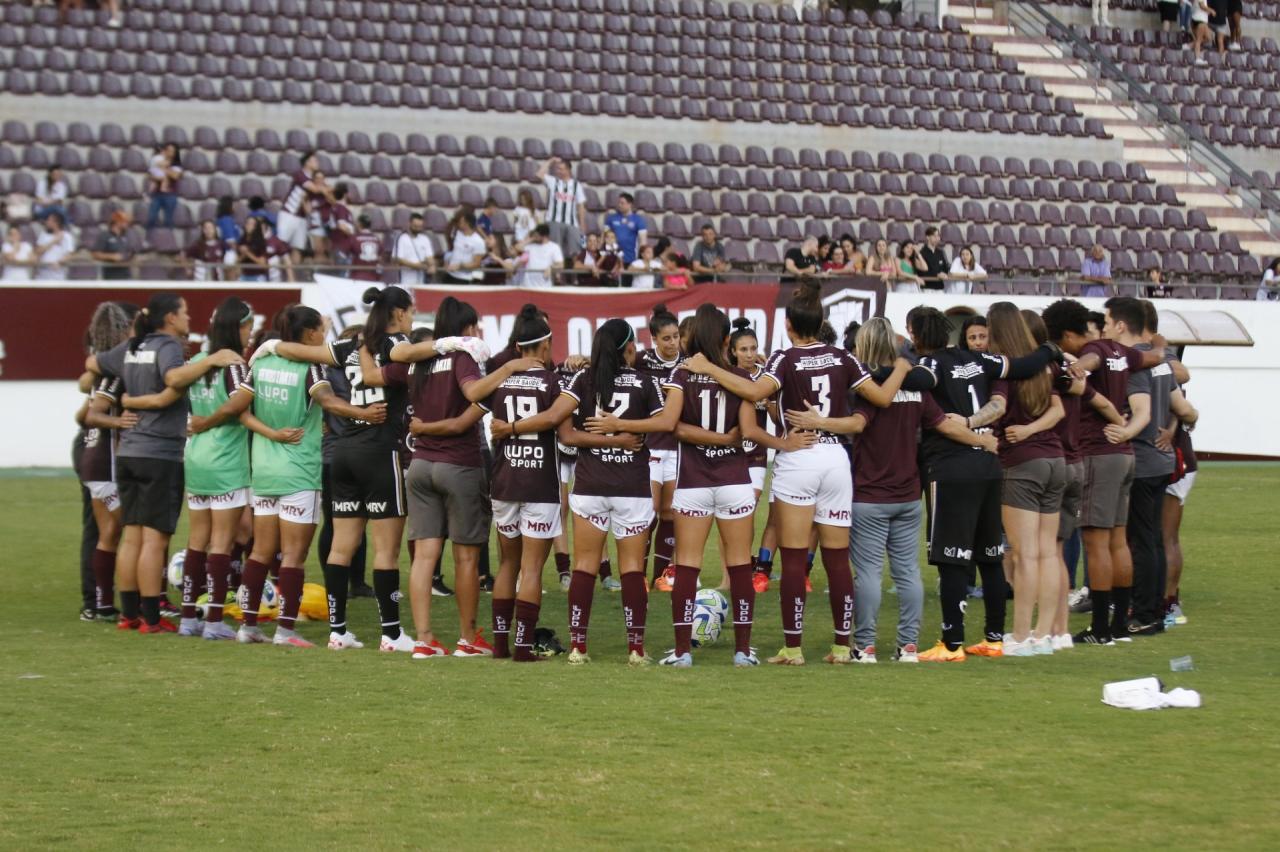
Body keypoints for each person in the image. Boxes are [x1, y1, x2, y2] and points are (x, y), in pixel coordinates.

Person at [683, 282, 912, 665]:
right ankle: (842, 646)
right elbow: (883, 398)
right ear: (821, 321)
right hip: (835, 459)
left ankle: (793, 648)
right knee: (838, 559)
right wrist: (904, 365)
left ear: (788, 325)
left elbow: (754, 393)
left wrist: (708, 368)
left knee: (792, 558)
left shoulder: (785, 359)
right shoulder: (843, 358)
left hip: (798, 457)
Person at [785, 317, 995, 664]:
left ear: (864, 347)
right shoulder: (916, 389)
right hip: (909, 494)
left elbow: (857, 423)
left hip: (869, 494)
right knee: (908, 571)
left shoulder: (864, 388)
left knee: (868, 573)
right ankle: (908, 646)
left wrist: (819, 422)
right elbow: (943, 425)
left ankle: (865, 647)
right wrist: (982, 441)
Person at [198, 305, 383, 646]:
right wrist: (364, 414)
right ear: (310, 334)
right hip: (298, 470)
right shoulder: (309, 367)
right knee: (294, 556)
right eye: (321, 329)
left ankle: (248, 627)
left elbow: (239, 409)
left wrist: (269, 433)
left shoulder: (261, 363)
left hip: (264, 470)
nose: (324, 335)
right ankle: (285, 630)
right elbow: (328, 402)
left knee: (260, 552)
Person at [593, 305, 761, 667]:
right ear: (728, 340)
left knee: (687, 565)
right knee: (739, 566)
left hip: (693, 481)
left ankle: (683, 651)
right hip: (735, 480)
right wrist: (726, 440)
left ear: (690, 338)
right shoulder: (739, 378)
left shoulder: (682, 375)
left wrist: (621, 427)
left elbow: (667, 423)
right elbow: (745, 433)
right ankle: (743, 652)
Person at [372, 296, 540, 657]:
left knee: (423, 557)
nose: (477, 333)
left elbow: (372, 375)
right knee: (466, 558)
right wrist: (509, 368)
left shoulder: (418, 358)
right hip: (458, 465)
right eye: (475, 327)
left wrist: (362, 345)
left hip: (419, 465)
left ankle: (423, 639)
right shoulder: (461, 357)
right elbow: (474, 392)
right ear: (466, 328)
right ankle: (467, 638)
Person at [254, 289, 416, 652]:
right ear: (401, 313)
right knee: (386, 551)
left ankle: (338, 632)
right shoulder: (397, 344)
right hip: (380, 452)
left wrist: (273, 347)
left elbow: (303, 351)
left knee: (341, 547)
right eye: (412, 312)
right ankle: (392, 634)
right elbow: (416, 354)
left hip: (342, 453)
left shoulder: (349, 345)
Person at [903, 307, 1063, 661]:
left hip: (950, 468)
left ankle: (952, 643)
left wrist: (888, 370)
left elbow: (918, 384)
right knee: (990, 555)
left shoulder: (929, 366)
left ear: (914, 335)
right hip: (990, 466)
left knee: (952, 558)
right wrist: (1049, 350)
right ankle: (993, 637)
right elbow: (1023, 367)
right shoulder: (981, 360)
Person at [89, 294, 245, 632]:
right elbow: (174, 380)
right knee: (154, 540)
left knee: (131, 536)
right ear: (171, 318)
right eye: (185, 312)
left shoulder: (135, 345)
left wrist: (130, 398)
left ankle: (129, 615)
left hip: (128, 452)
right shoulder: (168, 346)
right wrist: (211, 360)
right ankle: (151, 618)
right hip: (159, 453)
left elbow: (93, 366)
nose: (189, 318)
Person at [1056, 296, 1167, 645]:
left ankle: (1100, 628)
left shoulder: (1099, 349)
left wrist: (1079, 367)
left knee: (1096, 542)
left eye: (1106, 318)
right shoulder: (1125, 354)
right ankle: (1120, 622)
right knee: (1119, 541)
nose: (1102, 323)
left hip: (1099, 452)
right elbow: (1155, 356)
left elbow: (1090, 359)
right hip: (1124, 454)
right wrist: (1161, 344)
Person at [559, 319, 662, 665]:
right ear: (629, 348)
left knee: (585, 565)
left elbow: (568, 436)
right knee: (632, 567)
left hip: (590, 485)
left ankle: (578, 647)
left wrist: (608, 436)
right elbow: (665, 423)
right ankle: (635, 649)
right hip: (631, 487)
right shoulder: (645, 382)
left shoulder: (582, 380)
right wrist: (623, 436)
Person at [151, 297, 253, 639]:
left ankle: (188, 619)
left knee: (197, 541)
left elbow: (175, 385)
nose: (250, 335)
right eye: (248, 328)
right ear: (238, 328)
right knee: (222, 543)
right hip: (226, 461)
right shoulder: (236, 366)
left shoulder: (196, 361)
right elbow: (241, 405)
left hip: (196, 459)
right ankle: (213, 622)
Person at [476, 307, 564, 660]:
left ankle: (499, 645)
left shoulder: (499, 379)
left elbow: (472, 396)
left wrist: (507, 370)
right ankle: (523, 647)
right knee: (532, 568)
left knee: (507, 565)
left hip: (504, 479)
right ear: (544, 345)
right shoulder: (553, 381)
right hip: (539, 481)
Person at [986, 303, 1066, 656]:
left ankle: (1020, 637)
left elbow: (998, 409)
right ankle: (1044, 634)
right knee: (1048, 552)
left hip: (1020, 464)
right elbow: (1058, 409)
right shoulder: (1043, 364)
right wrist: (1035, 428)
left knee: (1024, 554)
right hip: (1055, 459)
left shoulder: (1003, 367)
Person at [1118, 302, 1198, 637]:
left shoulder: (1132, 363)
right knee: (1155, 539)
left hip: (1141, 459)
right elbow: (1188, 410)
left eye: (1108, 323)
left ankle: (1143, 612)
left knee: (1142, 539)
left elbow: (1140, 413)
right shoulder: (1162, 364)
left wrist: (1124, 426)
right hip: (1163, 462)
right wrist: (1173, 426)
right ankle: (1158, 607)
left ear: (1122, 325)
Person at [77, 302, 141, 620]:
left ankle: (101, 604)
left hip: (93, 458)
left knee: (110, 532)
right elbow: (93, 413)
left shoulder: (104, 373)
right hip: (104, 462)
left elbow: (84, 409)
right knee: (122, 529)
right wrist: (121, 422)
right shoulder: (116, 374)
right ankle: (110, 600)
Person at [638, 305, 683, 592]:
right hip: (650, 445)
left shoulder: (689, 362)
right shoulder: (642, 362)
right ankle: (638, 575)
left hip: (678, 447)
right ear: (654, 338)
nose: (672, 343)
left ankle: (663, 576)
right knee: (647, 512)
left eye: (676, 337)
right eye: (666, 338)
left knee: (669, 512)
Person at [727, 319, 774, 594]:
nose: (749, 354)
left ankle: (745, 567)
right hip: (729, 452)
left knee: (748, 507)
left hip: (756, 454)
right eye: (743, 349)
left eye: (753, 348)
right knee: (733, 513)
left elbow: (778, 416)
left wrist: (769, 402)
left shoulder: (767, 377)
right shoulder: (726, 375)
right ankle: (734, 571)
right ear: (733, 351)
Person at [277, 151, 328, 262]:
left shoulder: (313, 180)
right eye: (314, 160)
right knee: (280, 245)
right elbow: (314, 189)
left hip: (302, 218)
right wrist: (327, 189)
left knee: (298, 248)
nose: (317, 162)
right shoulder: (300, 174)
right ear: (307, 163)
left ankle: (294, 275)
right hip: (289, 214)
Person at [536, 156, 587, 260]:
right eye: (557, 168)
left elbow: (581, 205)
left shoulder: (577, 185)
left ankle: (574, 275)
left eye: (561, 169)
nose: (558, 171)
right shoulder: (552, 181)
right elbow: (539, 174)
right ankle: (556, 275)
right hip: (554, 221)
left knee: (576, 251)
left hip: (572, 223)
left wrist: (582, 224)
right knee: (555, 251)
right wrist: (550, 161)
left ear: (568, 170)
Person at [603, 192, 648, 267]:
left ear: (629, 204)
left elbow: (643, 241)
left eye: (622, 203)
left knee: (627, 278)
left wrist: (642, 259)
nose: (619, 205)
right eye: (619, 203)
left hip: (630, 258)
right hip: (612, 259)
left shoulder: (638, 220)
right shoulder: (611, 218)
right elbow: (603, 236)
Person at [393, 212, 437, 288]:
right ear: (409, 224)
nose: (417, 229)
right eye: (415, 226)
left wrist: (432, 265)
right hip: (406, 279)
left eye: (420, 227)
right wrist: (416, 266)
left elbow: (429, 257)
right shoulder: (402, 238)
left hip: (421, 279)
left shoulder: (425, 239)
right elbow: (398, 259)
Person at [515, 223, 565, 288]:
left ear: (543, 236)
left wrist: (551, 268)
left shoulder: (554, 247)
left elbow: (560, 264)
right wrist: (531, 239)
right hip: (527, 285)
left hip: (544, 286)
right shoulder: (531, 246)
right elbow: (517, 247)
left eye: (537, 235)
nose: (535, 237)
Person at [146, 143, 182, 229]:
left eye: (172, 151)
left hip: (170, 195)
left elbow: (175, 176)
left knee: (168, 220)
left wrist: (165, 168)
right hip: (157, 194)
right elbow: (150, 175)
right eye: (168, 150)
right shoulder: (158, 161)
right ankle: (149, 238)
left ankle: (168, 238)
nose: (169, 153)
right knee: (151, 218)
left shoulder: (177, 165)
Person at [90, 211, 133, 280]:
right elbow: (95, 254)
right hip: (111, 276)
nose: (127, 225)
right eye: (125, 222)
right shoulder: (105, 235)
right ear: (117, 222)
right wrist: (111, 256)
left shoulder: (126, 236)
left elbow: (130, 252)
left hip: (126, 275)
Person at [445, 211, 486, 283]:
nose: (459, 223)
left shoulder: (478, 241)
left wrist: (460, 266)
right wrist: (446, 261)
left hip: (464, 278)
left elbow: (476, 263)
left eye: (461, 221)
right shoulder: (457, 233)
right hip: (450, 274)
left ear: (467, 223)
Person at [34, 212, 76, 280]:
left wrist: (59, 262)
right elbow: (38, 251)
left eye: (49, 220)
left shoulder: (67, 236)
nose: (47, 222)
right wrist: (54, 241)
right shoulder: (43, 235)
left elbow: (69, 255)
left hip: (58, 275)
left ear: (56, 223)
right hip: (42, 274)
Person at [348, 214, 382, 282]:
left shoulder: (354, 238)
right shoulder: (377, 239)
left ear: (359, 224)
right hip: (373, 277)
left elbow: (346, 254)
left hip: (357, 277)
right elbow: (380, 258)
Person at [237, 216, 269, 282]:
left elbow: (263, 264)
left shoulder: (261, 242)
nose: (249, 226)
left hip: (258, 276)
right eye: (247, 223)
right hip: (244, 275)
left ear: (255, 227)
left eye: (251, 224)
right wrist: (243, 254)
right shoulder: (241, 241)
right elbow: (237, 262)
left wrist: (248, 253)